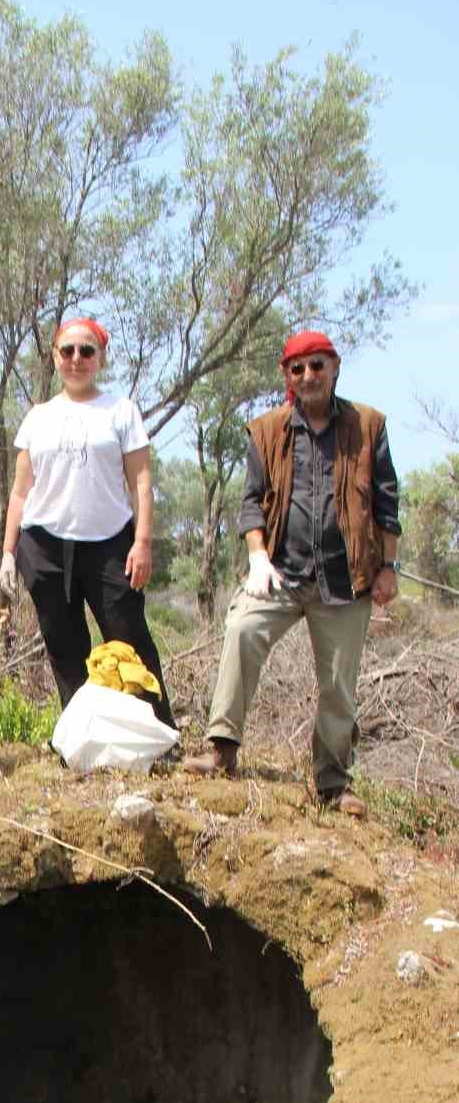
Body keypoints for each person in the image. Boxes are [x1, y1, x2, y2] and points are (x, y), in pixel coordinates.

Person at [183, 330, 401, 819]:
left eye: (317, 366)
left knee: (338, 684)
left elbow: (387, 503)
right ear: (287, 375)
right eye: (298, 369)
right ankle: (222, 750)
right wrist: (258, 558)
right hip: (280, 572)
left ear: (335, 367)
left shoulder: (368, 426)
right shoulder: (266, 430)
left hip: (345, 581)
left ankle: (332, 784)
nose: (308, 376)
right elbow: (250, 505)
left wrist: (388, 567)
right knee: (241, 629)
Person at [0, 317, 175, 733]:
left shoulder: (121, 411)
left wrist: (143, 542)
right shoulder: (38, 416)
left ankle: (158, 734)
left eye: (86, 351)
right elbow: (21, 491)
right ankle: (82, 736)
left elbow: (141, 481)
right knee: (64, 644)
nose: (76, 359)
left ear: (100, 357)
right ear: (55, 357)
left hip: (109, 544)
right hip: (43, 546)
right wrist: (8, 553)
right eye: (68, 351)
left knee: (128, 637)